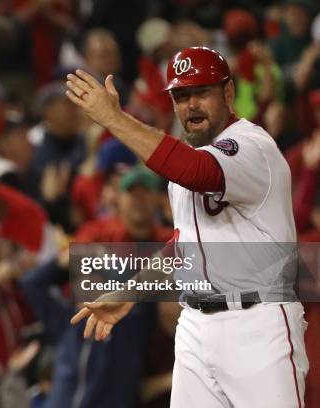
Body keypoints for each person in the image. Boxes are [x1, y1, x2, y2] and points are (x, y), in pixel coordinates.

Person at [67, 47, 308, 407]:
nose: (191, 105)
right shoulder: (181, 164)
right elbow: (182, 250)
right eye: (181, 96)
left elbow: (197, 171)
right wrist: (130, 293)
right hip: (195, 326)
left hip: (257, 326)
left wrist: (114, 118)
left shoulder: (252, 146)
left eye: (201, 93)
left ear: (228, 93)